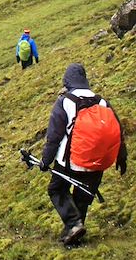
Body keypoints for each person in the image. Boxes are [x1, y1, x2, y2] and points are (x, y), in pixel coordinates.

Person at [39, 63, 128, 245]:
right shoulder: (102, 102)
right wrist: (121, 156)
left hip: (70, 161)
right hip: (98, 163)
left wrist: (45, 161)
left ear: (67, 80)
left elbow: (54, 137)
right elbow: (117, 132)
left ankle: (73, 224)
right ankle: (73, 236)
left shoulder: (65, 101)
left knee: (56, 189)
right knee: (83, 197)